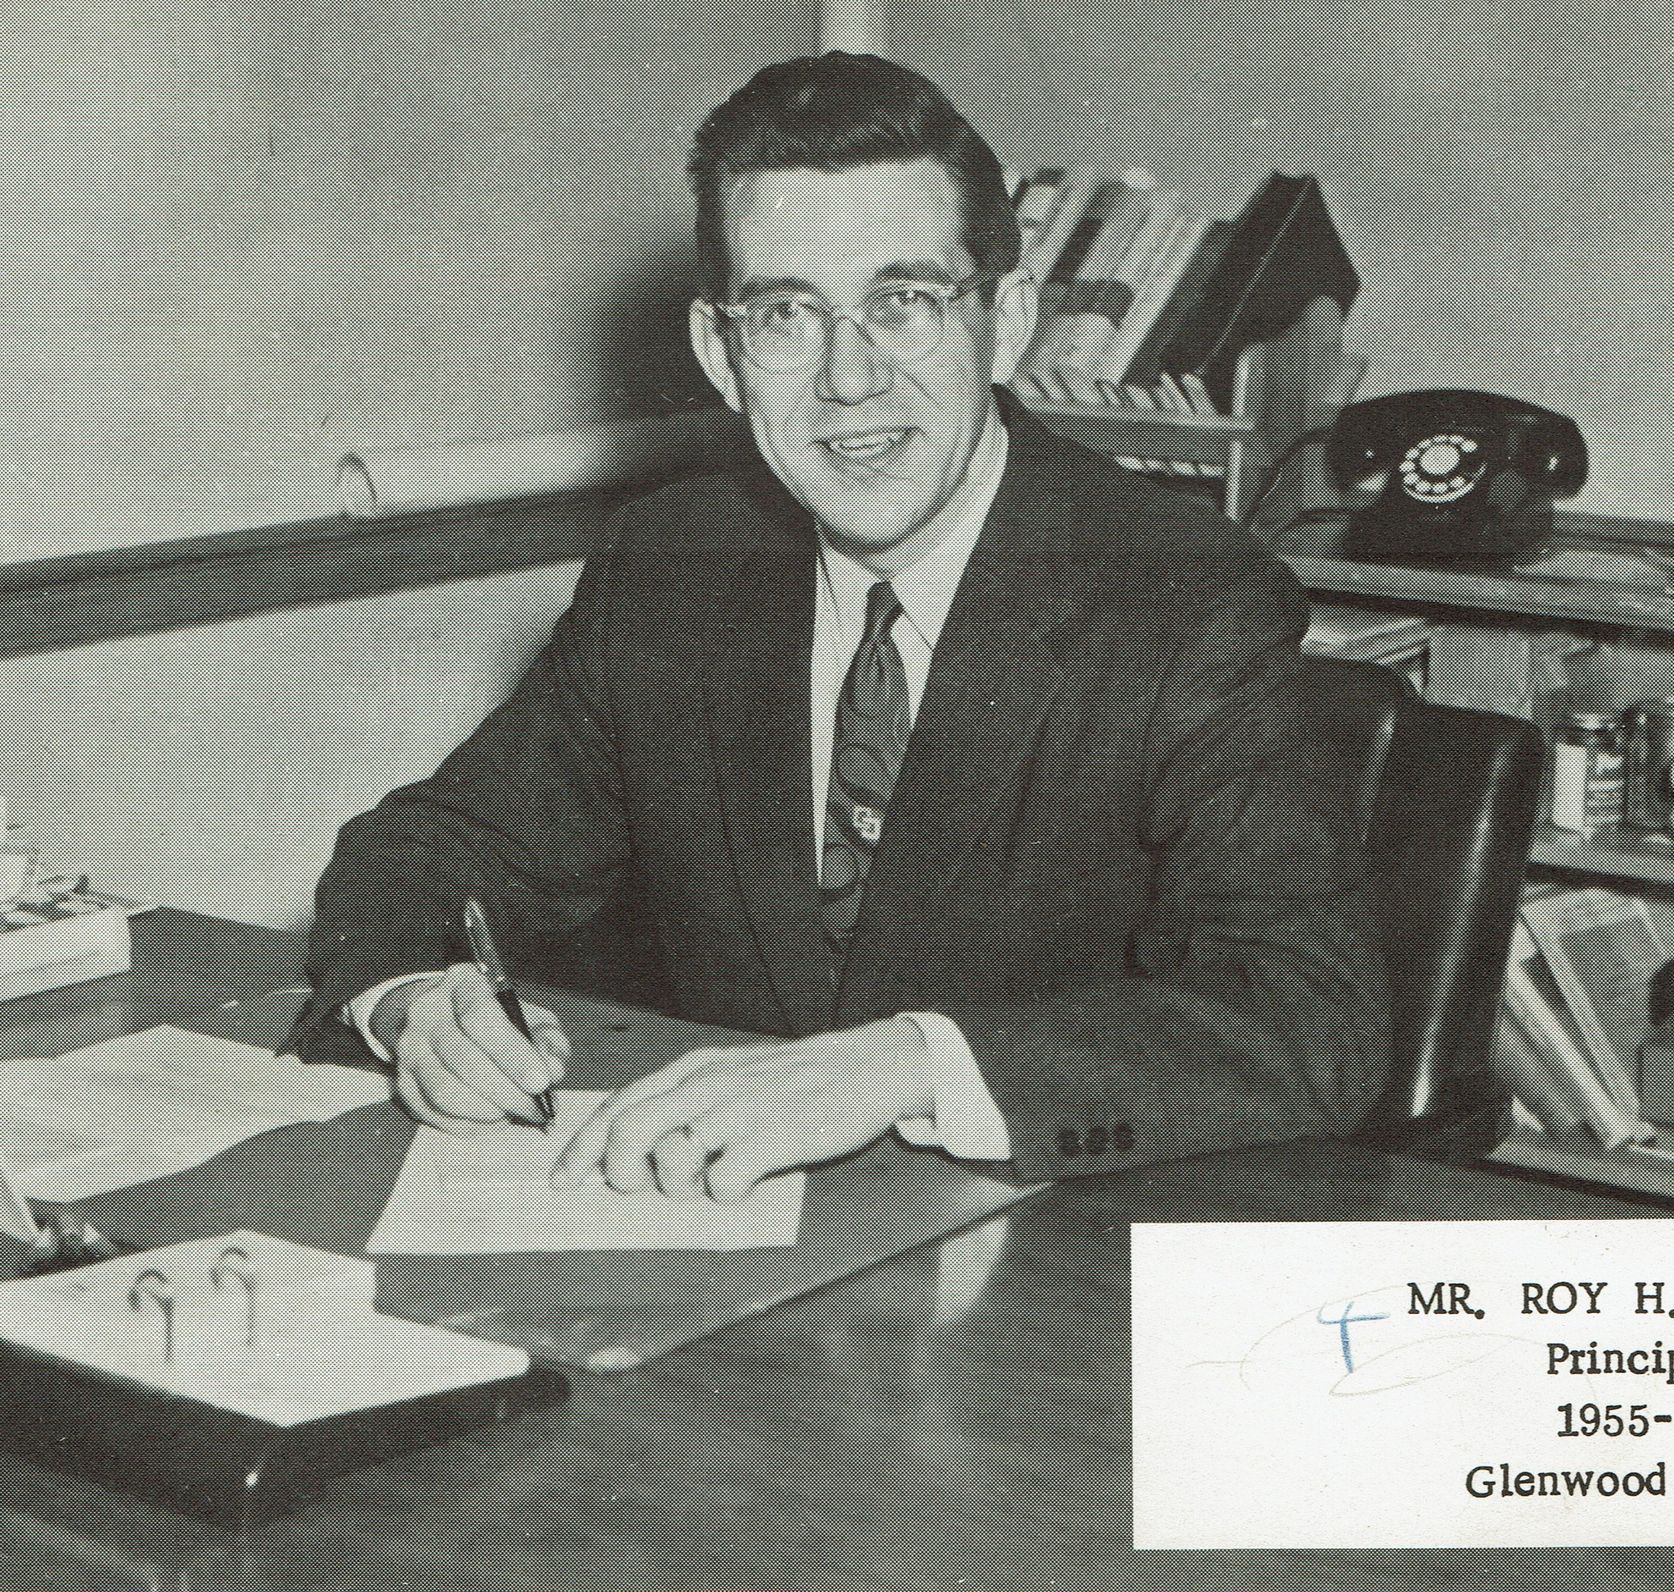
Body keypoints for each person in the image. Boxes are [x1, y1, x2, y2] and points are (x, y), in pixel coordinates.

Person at [292, 52, 1390, 1198]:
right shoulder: (671, 565)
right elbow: (430, 852)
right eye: (785, 314)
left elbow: (1310, 1013)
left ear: (1007, 320)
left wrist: (904, 1063)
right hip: (723, 1223)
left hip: (1035, 1235)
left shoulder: (1185, 596)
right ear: (721, 355)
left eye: (902, 301)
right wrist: (416, 999)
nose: (848, 378)